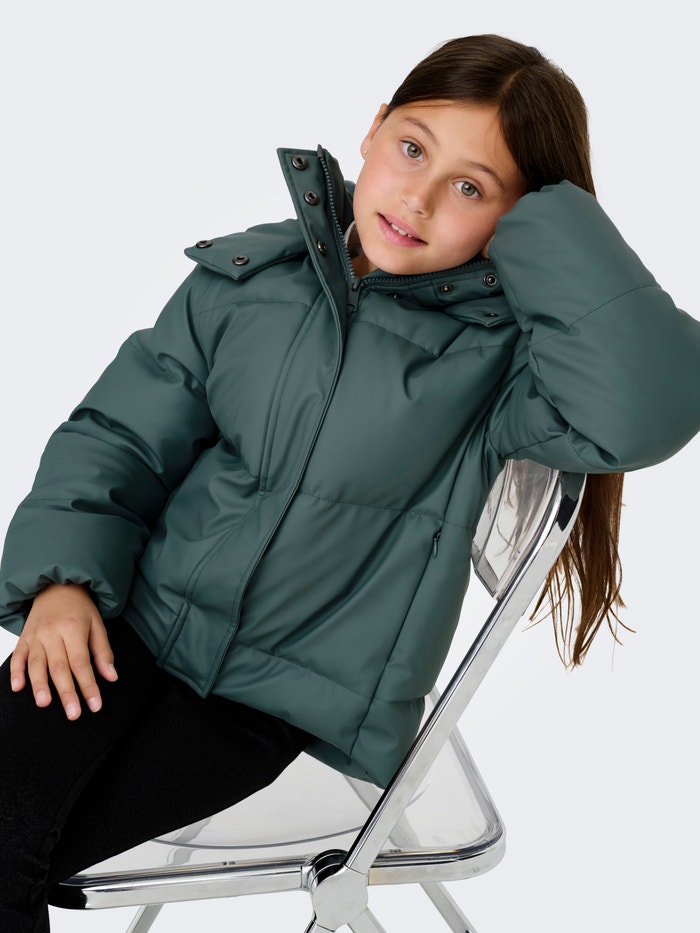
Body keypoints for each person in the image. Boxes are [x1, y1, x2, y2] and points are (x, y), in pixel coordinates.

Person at [1, 33, 699, 932]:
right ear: (371, 131)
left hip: (267, 702)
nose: (418, 197)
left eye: (473, 188)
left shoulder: (502, 367)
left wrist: (551, 218)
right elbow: (118, 438)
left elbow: (650, 406)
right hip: (123, 621)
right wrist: (62, 582)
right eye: (412, 148)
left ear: (518, 220)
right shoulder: (249, 280)